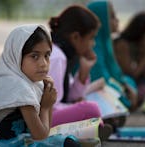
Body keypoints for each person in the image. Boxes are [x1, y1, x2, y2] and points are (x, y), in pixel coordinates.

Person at [0, 24, 80, 147]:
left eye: (47, 55)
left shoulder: (31, 82)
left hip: (17, 140)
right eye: (34, 56)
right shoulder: (18, 87)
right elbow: (41, 135)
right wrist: (46, 106)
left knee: (65, 141)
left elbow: (46, 129)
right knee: (67, 143)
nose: (43, 64)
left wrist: (48, 101)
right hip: (1, 144)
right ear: (17, 57)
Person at [48, 5, 113, 141]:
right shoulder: (57, 56)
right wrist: (76, 106)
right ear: (76, 37)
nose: (93, 43)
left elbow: (70, 96)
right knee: (91, 109)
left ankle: (92, 130)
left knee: (87, 105)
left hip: (48, 116)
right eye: (91, 38)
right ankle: (94, 129)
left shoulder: (63, 54)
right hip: (41, 121)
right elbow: (52, 107)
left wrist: (84, 72)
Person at [87, 0, 138, 112]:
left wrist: (125, 86)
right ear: (100, 20)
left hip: (107, 86)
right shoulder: (92, 47)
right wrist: (124, 90)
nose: (117, 20)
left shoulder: (105, 44)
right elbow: (101, 80)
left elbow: (115, 76)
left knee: (129, 82)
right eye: (112, 17)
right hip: (94, 90)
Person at [113, 11, 145, 105]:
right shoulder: (122, 44)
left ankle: (142, 89)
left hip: (133, 79)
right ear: (139, 32)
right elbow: (132, 75)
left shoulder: (138, 46)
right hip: (121, 80)